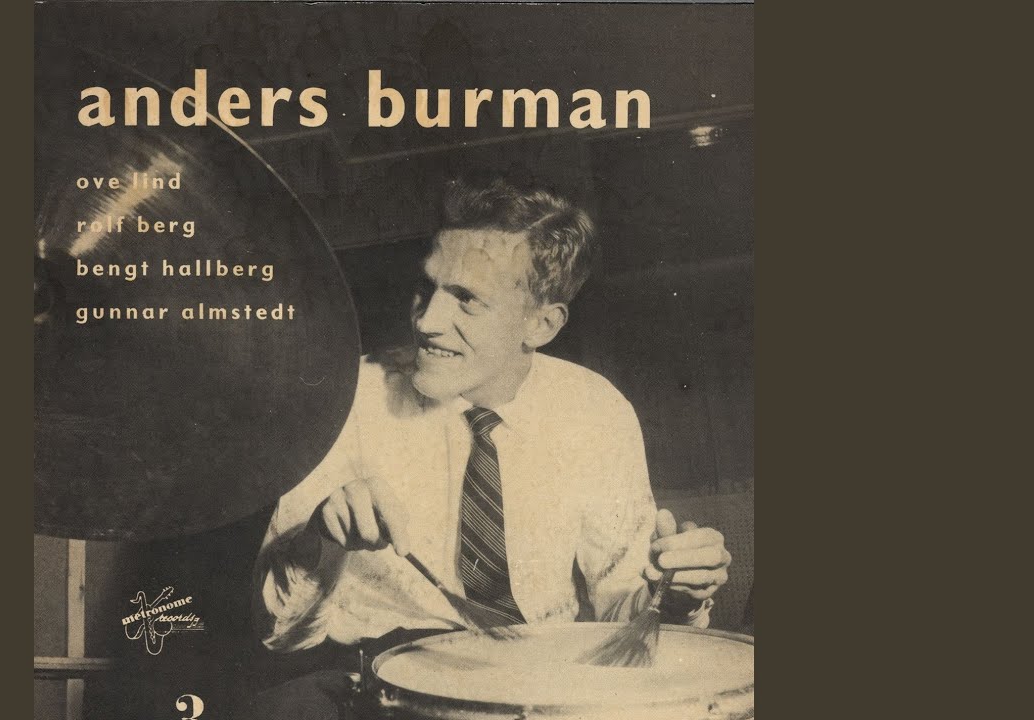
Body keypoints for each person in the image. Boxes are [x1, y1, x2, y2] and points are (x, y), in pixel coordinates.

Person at [247, 176, 732, 717]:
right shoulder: (345, 399)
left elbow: (620, 613)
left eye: (467, 300)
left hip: (543, 682)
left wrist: (676, 598)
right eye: (426, 288)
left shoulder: (595, 410)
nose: (427, 321)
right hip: (380, 688)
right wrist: (321, 540)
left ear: (541, 324)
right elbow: (277, 632)